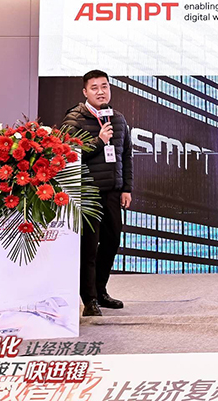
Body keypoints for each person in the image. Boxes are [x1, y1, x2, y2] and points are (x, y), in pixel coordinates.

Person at [62, 69, 133, 317]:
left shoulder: (118, 119)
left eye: (104, 86)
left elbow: (126, 155)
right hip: (87, 193)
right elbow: (66, 156)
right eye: (94, 88)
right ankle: (89, 299)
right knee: (89, 248)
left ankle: (101, 291)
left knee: (112, 243)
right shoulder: (74, 119)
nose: (100, 92)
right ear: (85, 92)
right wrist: (99, 141)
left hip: (112, 192)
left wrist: (126, 188)